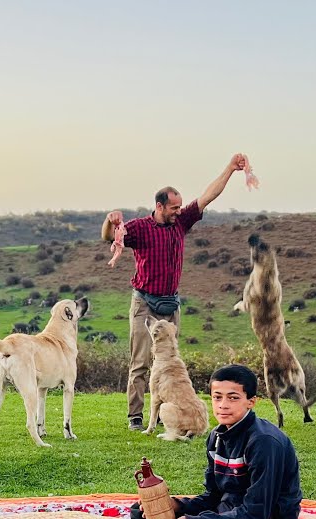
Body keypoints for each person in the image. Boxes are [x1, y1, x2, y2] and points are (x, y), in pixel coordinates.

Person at [103, 153, 251, 430]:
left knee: (171, 362)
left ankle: (164, 412)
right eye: (174, 207)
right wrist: (110, 221)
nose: (179, 211)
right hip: (144, 302)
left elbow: (208, 196)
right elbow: (109, 237)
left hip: (171, 303)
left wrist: (231, 169)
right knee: (140, 362)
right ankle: (136, 417)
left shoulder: (181, 223)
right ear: (159, 206)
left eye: (180, 206)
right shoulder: (139, 229)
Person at [130, 364, 301, 519]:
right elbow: (213, 495)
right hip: (226, 513)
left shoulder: (264, 442)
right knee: (142, 513)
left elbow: (257, 513)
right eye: (217, 397)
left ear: (251, 402)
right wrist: (177, 506)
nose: (223, 405)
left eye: (233, 397)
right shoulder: (216, 438)